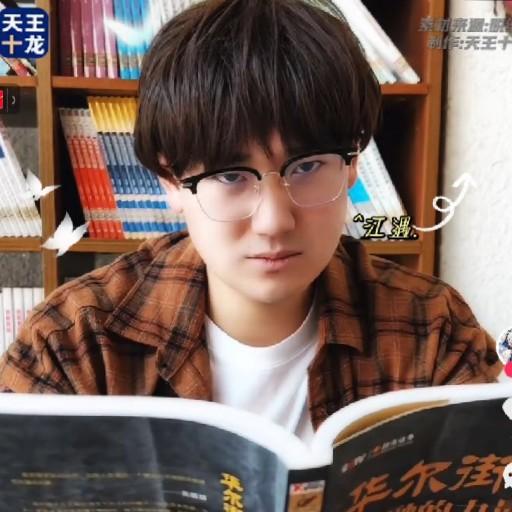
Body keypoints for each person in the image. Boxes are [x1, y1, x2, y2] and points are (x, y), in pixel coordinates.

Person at [0, 0, 501, 442]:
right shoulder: (71, 345)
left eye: (308, 167)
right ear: (171, 180)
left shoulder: (432, 331)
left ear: (352, 164)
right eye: (230, 176)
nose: (274, 221)